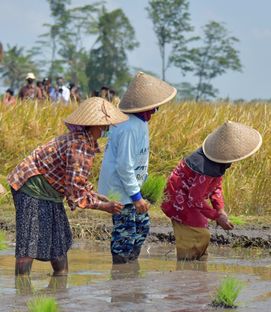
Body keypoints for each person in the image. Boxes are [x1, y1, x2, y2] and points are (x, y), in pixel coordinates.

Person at [7, 97, 128, 276]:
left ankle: (60, 287)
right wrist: (103, 206)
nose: (107, 129)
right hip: (31, 187)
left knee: (59, 241)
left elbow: (77, 180)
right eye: (104, 126)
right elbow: (74, 191)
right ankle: (22, 290)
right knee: (29, 242)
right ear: (94, 126)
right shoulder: (79, 146)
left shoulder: (85, 142)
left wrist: (94, 194)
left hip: (50, 190)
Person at [98, 72, 177, 264]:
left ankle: (130, 271)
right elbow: (124, 165)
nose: (156, 109)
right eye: (154, 106)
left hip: (131, 188)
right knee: (125, 235)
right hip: (120, 190)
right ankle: (121, 278)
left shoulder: (140, 123)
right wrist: (136, 197)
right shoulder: (127, 127)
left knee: (141, 228)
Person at [161, 121, 262, 260]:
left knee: (201, 233)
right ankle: (186, 268)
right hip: (179, 198)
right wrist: (216, 216)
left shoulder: (218, 161)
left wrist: (220, 209)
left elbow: (216, 187)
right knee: (198, 234)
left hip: (189, 198)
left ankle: (198, 265)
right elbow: (195, 198)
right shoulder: (206, 166)